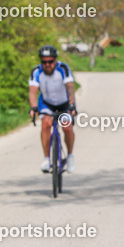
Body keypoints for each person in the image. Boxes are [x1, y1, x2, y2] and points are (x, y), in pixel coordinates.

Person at [28, 45, 76, 173]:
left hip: (64, 103)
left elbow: (70, 87)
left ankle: (70, 156)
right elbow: (33, 92)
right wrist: (33, 107)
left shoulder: (63, 68)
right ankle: (46, 159)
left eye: (50, 61)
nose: (47, 64)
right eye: (44, 62)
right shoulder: (36, 71)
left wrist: (72, 105)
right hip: (47, 103)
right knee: (46, 124)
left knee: (67, 126)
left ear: (55, 60)